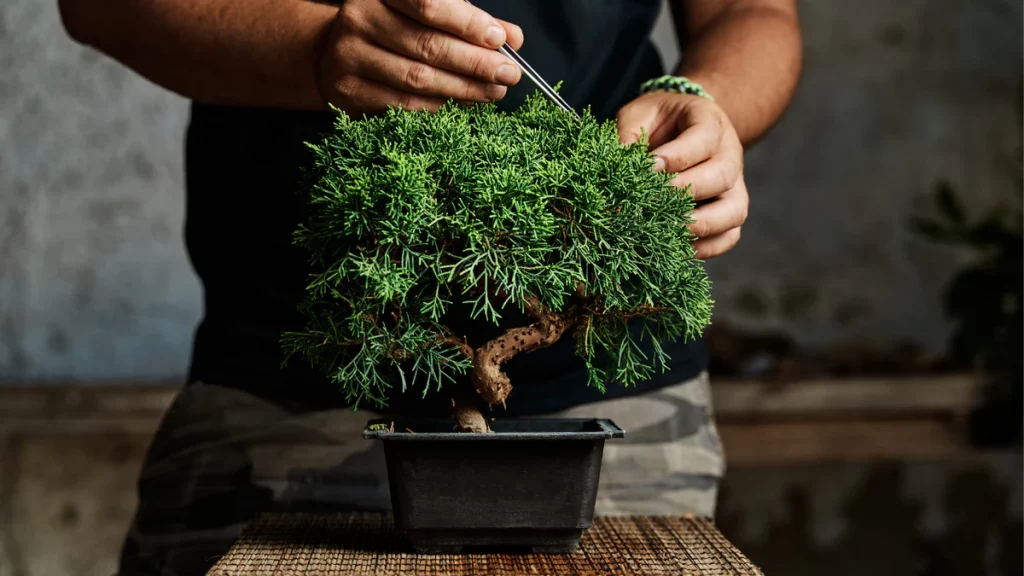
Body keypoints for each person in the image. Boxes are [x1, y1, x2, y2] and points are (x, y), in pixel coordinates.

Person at [59, 0, 801, 573]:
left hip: (616, 418)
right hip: (284, 398)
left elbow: (753, 11)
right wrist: (312, 48)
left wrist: (702, 100)